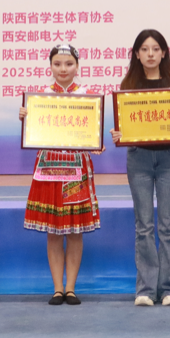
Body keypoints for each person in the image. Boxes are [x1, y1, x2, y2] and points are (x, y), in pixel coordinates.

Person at [111, 29, 170, 307]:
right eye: (144, 49)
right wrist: (120, 135)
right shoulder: (128, 86)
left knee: (167, 226)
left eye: (155, 49)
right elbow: (124, 126)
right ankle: (146, 290)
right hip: (138, 160)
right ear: (137, 54)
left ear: (163, 53)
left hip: (169, 161)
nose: (150, 54)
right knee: (144, 226)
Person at [20, 43, 103, 305]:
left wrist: (97, 138)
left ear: (77, 66)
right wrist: (27, 119)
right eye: (57, 64)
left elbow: (95, 138)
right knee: (53, 231)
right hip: (49, 169)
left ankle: (71, 288)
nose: (63, 69)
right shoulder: (40, 98)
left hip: (76, 170)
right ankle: (57, 288)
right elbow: (33, 132)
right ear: (50, 66)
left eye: (68, 64)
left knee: (75, 231)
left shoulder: (88, 97)